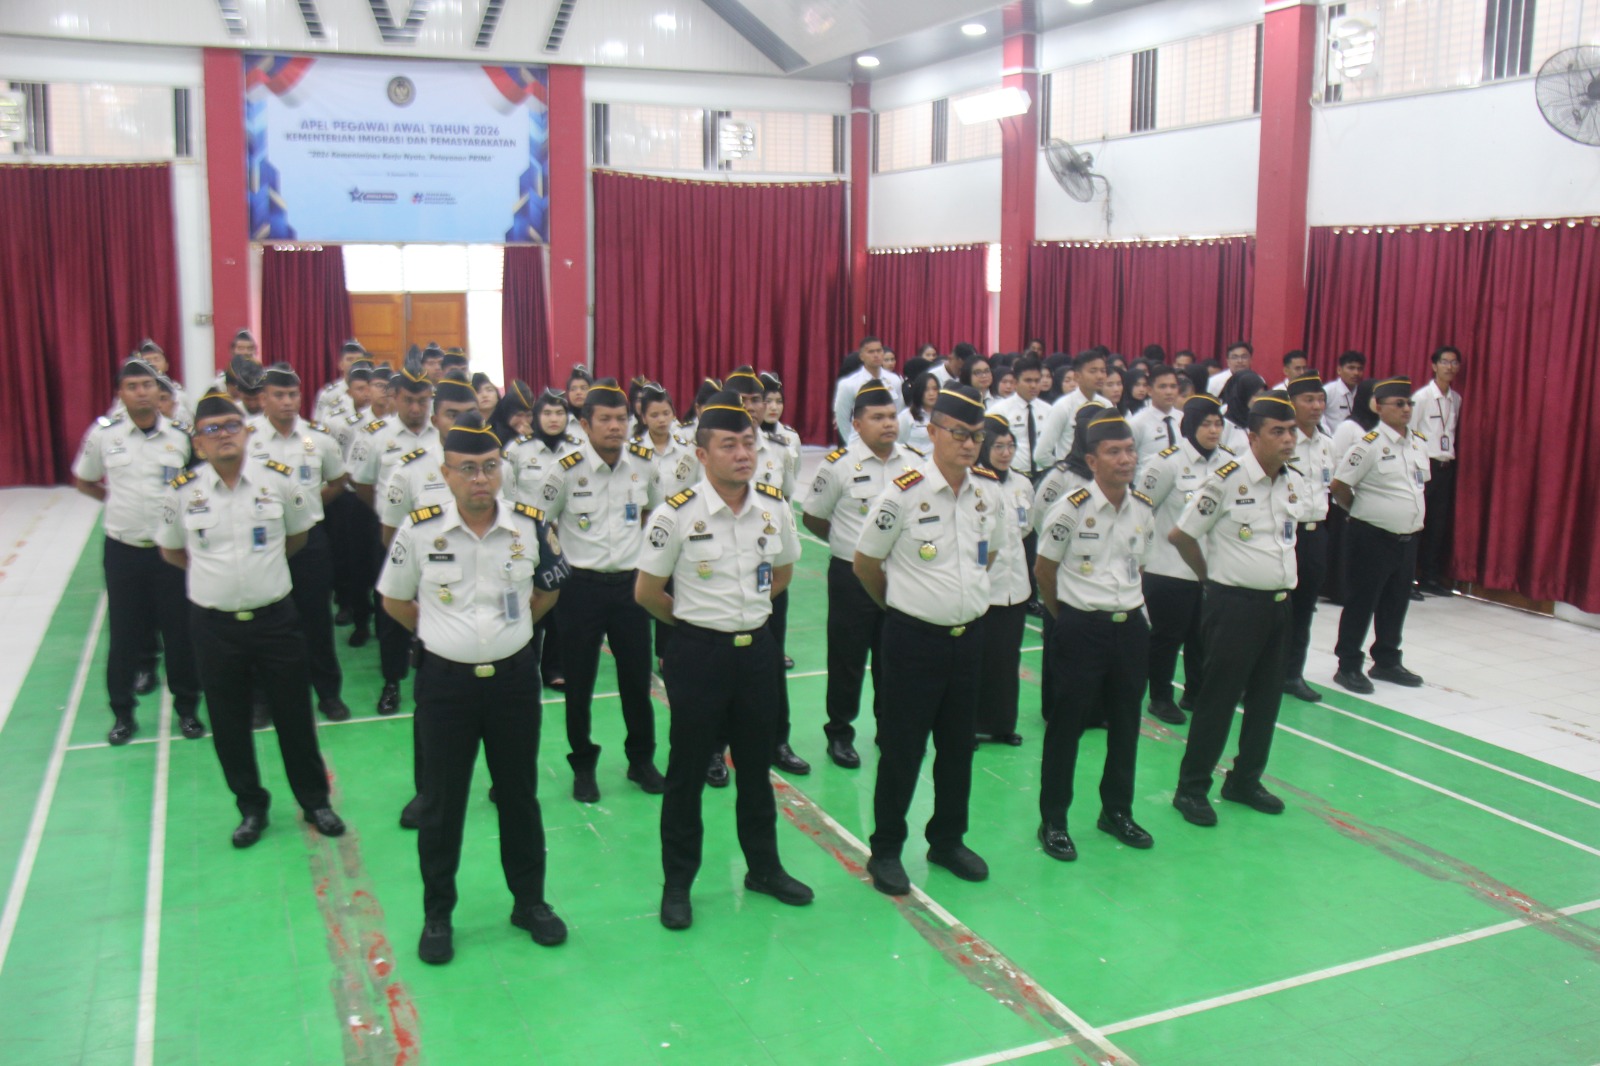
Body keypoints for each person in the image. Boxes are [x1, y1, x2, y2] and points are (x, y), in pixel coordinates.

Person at [376, 412, 570, 965]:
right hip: (445, 686)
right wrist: (443, 635)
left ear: (501, 470)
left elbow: (548, 590)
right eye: (467, 469)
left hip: (513, 681)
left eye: (489, 467)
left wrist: (513, 631)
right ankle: (438, 914)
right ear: (447, 473)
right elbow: (394, 600)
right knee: (441, 804)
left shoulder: (530, 526)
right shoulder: (420, 530)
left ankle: (529, 903)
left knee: (519, 796)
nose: (480, 478)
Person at [635, 393, 813, 931]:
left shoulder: (773, 507)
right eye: (729, 445)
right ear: (702, 453)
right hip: (698, 654)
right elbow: (647, 591)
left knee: (756, 769)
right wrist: (696, 622)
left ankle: (764, 869)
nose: (743, 455)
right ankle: (678, 884)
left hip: (756, 652)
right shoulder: (676, 514)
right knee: (687, 773)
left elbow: (783, 571)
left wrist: (746, 613)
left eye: (749, 444)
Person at [157, 391, 346, 847]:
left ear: (246, 432)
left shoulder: (278, 480)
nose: (223, 435)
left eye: (231, 425)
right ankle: (250, 807)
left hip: (275, 620)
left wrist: (260, 576)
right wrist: (217, 578)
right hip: (214, 626)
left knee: (294, 715)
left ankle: (315, 801)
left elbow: (298, 537)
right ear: (198, 443)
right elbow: (171, 550)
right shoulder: (182, 492)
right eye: (212, 429)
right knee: (228, 722)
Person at [854, 384, 997, 896]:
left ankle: (947, 840)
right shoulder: (903, 493)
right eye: (959, 433)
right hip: (913, 640)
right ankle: (886, 850)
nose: (969, 444)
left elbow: (990, 555)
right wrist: (904, 607)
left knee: (958, 746)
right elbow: (866, 563)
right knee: (903, 748)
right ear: (933, 432)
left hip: (969, 639)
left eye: (976, 435)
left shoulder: (987, 492)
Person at [1168, 393, 1303, 827]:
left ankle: (1244, 780)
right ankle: (1191, 788)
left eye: (1292, 431)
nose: (1288, 439)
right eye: (1278, 432)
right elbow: (1181, 535)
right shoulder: (1226, 480)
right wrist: (1209, 579)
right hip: (1235, 606)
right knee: (1219, 700)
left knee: (1266, 700)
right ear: (1253, 437)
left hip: (1278, 605)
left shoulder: (1291, 480)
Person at [1034, 414, 1156, 860]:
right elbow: (1044, 569)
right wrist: (1067, 617)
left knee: (1126, 724)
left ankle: (1116, 811)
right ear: (1091, 460)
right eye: (1114, 452)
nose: (1126, 459)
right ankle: (1054, 820)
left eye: (1130, 450)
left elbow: (1140, 567)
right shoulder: (1071, 507)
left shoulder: (1142, 507)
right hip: (1082, 627)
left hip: (1130, 627)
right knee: (1066, 727)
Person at [539, 379, 666, 801]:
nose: (615, 427)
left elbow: (653, 513)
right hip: (580, 589)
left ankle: (641, 760)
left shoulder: (643, 465)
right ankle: (583, 764)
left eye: (621, 419)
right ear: (584, 424)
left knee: (637, 680)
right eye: (605, 419)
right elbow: (542, 523)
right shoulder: (565, 469)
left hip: (630, 588)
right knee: (579, 683)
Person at [73, 357, 204, 744]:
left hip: (170, 552)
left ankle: (187, 710)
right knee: (124, 637)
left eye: (147, 386)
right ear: (121, 394)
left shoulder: (180, 436)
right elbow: (84, 480)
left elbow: (197, 486)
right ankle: (123, 714)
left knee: (180, 635)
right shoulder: (104, 435)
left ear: (159, 392)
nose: (141, 393)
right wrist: (116, 504)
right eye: (132, 387)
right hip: (124, 550)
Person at [803, 382, 923, 768]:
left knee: (896, 658)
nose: (888, 424)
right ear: (857, 424)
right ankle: (839, 733)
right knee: (847, 659)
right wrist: (850, 545)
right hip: (851, 577)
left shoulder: (915, 463)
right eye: (877, 418)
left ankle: (891, 729)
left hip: (900, 574)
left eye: (891, 417)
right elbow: (814, 517)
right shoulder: (839, 465)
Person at [247, 363, 352, 721]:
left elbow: (337, 481)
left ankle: (328, 694)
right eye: (279, 395)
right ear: (263, 399)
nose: (287, 401)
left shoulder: (318, 439)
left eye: (293, 394)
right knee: (264, 621)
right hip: (263, 540)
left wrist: (305, 509)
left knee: (316, 619)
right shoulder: (247, 439)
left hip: (309, 540)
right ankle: (262, 698)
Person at [724, 369, 805, 774]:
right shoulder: (706, 450)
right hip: (720, 573)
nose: (750, 407)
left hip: (768, 573)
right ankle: (715, 748)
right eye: (741, 400)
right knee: (719, 665)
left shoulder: (780, 449)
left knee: (771, 660)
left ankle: (778, 741)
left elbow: (785, 503)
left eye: (755, 399)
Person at [349, 363, 438, 715]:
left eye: (423, 400)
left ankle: (432, 673)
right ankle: (391, 681)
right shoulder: (376, 435)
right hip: (392, 536)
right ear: (395, 397)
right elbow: (363, 485)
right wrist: (387, 517)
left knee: (437, 604)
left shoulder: (443, 434)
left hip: (438, 539)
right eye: (409, 400)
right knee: (391, 610)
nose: (416, 408)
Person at [1331, 377, 1430, 693]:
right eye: (1398, 404)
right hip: (1371, 536)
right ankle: (1348, 665)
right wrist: (1360, 512)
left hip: (1407, 538)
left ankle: (1386, 660)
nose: (1406, 409)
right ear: (1379, 407)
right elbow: (1339, 486)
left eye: (1409, 403)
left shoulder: (1418, 443)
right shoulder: (1369, 445)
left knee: (1396, 601)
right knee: (1362, 601)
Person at [1137, 394, 1231, 726]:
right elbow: (1141, 509)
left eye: (1218, 423)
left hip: (1210, 567)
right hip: (1168, 567)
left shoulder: (1229, 463)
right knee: (1167, 637)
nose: (1214, 430)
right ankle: (1160, 696)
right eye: (1206, 424)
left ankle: (1195, 692)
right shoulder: (1167, 463)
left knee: (1202, 637)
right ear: (1190, 426)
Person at [503, 388, 580, 692]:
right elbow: (506, 496)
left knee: (561, 605)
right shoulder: (518, 450)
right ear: (535, 417)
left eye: (559, 413)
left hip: (565, 537)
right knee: (529, 601)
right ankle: (527, 662)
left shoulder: (578, 450)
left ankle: (555, 667)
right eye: (547, 413)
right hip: (527, 538)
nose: (553, 418)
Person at [974, 414, 1033, 746]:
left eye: (1011, 446)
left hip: (1016, 587)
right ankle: (969, 725)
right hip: (984, 587)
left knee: (1008, 660)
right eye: (998, 446)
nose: (1006, 453)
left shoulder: (1022, 484)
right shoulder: (974, 484)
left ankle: (1002, 724)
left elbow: (1026, 527)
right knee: (977, 660)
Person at [1283, 375, 1335, 703]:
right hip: (1286, 534)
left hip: (1316, 533)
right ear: (1292, 403)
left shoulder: (1326, 443)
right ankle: (1258, 675)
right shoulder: (1283, 442)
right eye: (1308, 400)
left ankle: (1292, 674)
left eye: (1320, 399)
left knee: (1304, 610)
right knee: (1274, 611)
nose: (1317, 406)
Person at [379, 377, 480, 545]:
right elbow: (392, 535)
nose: (463, 423)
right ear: (435, 421)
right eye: (453, 415)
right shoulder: (410, 471)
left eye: (470, 414)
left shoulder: (500, 467)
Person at [1324, 377, 1379, 606]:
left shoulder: (1379, 428)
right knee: (1343, 548)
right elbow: (1335, 459)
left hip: (1368, 499)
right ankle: (1339, 590)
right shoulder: (1349, 427)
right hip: (1344, 497)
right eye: (1375, 397)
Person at [1412, 347, 1462, 596]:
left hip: (1445, 467)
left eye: (1454, 363)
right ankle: (1407, 579)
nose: (1449, 367)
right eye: (1444, 362)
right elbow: (1410, 433)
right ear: (1434, 365)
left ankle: (1429, 578)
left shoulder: (1456, 399)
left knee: (1437, 525)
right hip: (1424, 465)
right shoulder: (1422, 398)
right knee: (1416, 523)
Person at [1037, 350, 1106, 467]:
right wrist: (1063, 471)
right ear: (1077, 376)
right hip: (1071, 475)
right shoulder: (1063, 406)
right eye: (1093, 371)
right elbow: (1041, 454)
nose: (1099, 376)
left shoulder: (1106, 405)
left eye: (1103, 371)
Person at [834, 337, 905, 445]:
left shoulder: (894, 380)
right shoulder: (849, 384)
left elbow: (898, 411)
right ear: (861, 356)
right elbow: (842, 418)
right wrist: (851, 442)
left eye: (879, 351)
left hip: (888, 439)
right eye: (871, 352)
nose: (876, 355)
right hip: (860, 440)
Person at [990, 354, 1051, 478]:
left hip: (1044, 474)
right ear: (1016, 382)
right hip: (1013, 474)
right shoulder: (1000, 410)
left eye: (1037, 381)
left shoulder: (1049, 410)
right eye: (1028, 381)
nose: (1033, 385)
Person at [1130, 363, 1182, 467]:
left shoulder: (1183, 419)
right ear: (1149, 390)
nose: (1169, 392)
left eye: (1173, 386)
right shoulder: (1137, 423)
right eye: (1163, 387)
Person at [314, 340, 368, 425]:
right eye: (350, 359)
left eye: (358, 360)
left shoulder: (373, 391)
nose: (354, 364)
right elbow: (318, 424)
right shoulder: (328, 394)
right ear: (341, 364)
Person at [1217, 370, 1265, 454]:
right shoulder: (1224, 425)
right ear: (1243, 395)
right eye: (1256, 395)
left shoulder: (1263, 421)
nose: (1260, 399)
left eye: (1262, 395)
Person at [1322, 351, 1366, 435]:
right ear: (1339, 370)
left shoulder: (1363, 392)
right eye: (1351, 368)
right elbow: (1318, 421)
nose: (1356, 373)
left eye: (1360, 369)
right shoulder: (1328, 391)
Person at [898, 371, 939, 454]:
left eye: (934, 389)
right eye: (926, 390)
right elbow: (897, 442)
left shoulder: (944, 415)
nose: (931, 393)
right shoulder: (906, 416)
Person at [490, 378, 536, 446]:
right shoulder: (491, 436)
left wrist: (533, 440)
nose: (524, 422)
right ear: (507, 414)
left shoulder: (539, 432)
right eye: (519, 415)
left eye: (528, 415)